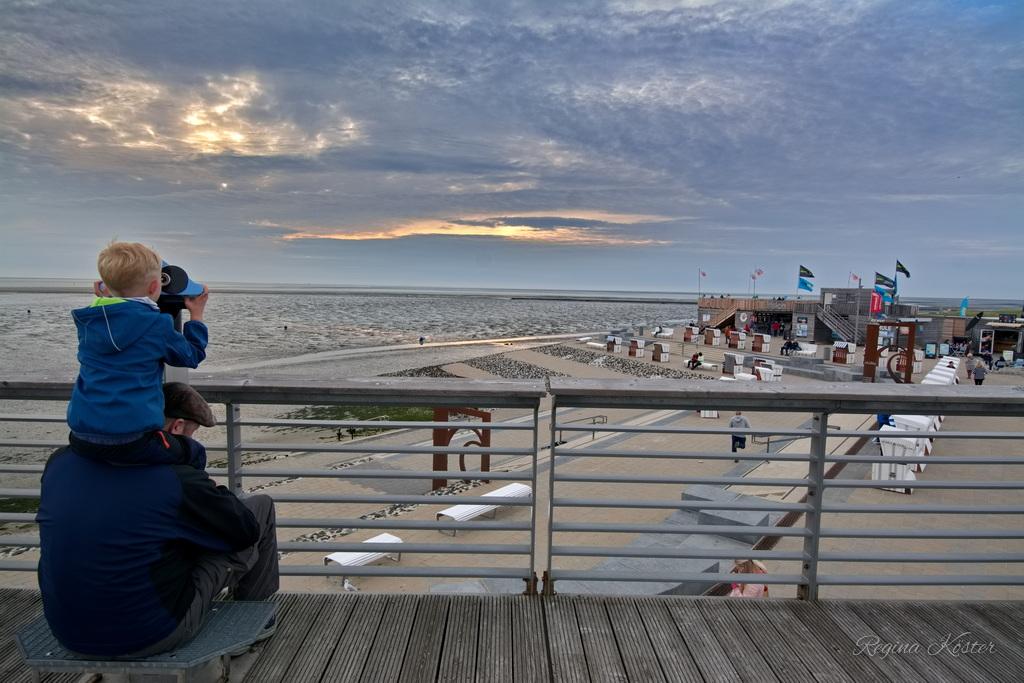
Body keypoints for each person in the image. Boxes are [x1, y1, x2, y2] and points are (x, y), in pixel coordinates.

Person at [38, 382, 279, 658]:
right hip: (148, 634)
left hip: (67, 630)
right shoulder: (174, 479)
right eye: (193, 433)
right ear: (176, 428)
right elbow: (245, 531)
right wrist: (207, 488)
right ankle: (255, 620)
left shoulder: (60, 462)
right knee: (259, 509)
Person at [68, 242, 208, 463]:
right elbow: (191, 356)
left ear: (104, 284)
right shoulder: (156, 325)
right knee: (194, 452)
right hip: (132, 438)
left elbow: (116, 316)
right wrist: (197, 315)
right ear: (154, 287)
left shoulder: (87, 321)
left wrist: (106, 298)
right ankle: (171, 496)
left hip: (82, 435)